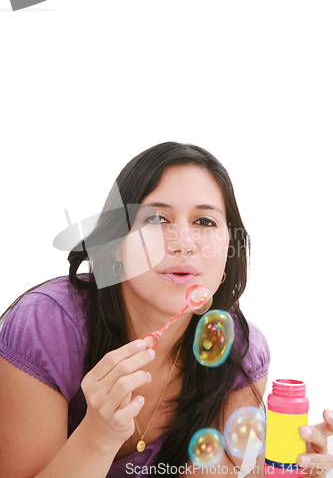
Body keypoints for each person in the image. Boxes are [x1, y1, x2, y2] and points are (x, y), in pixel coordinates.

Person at [0, 142, 331, 478]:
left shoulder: (239, 353)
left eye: (204, 221)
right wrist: (98, 436)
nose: (183, 242)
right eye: (157, 218)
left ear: (229, 249)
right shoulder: (46, 327)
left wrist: (288, 469)